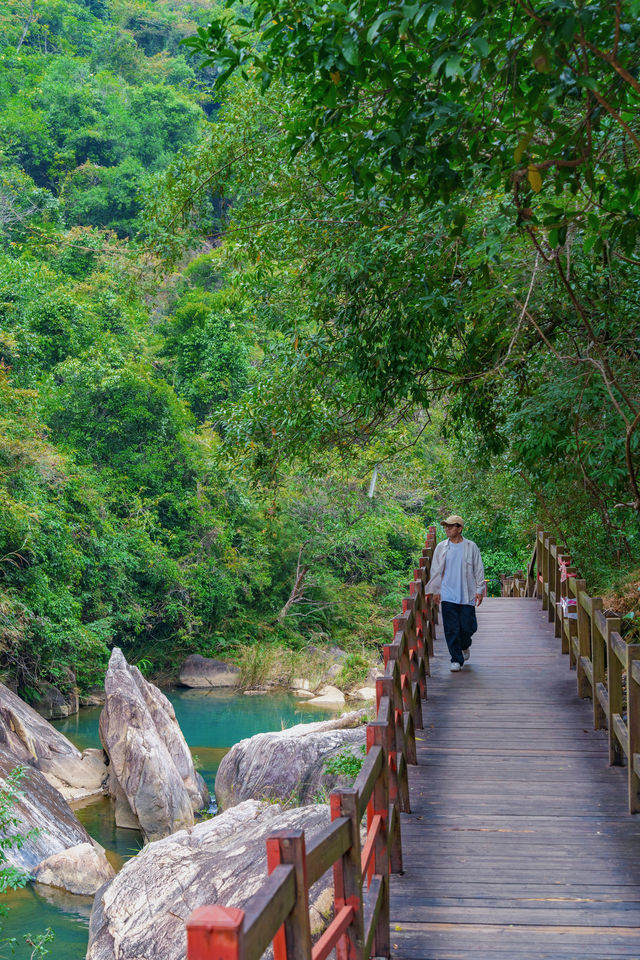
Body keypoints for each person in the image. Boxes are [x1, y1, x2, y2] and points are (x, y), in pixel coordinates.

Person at [425, 515, 485, 672]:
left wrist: (479, 590)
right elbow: (435, 570)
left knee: (468, 627)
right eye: (446, 526)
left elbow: (478, 568)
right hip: (448, 594)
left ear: (460, 528)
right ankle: (456, 659)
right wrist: (436, 591)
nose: (447, 529)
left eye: (451, 526)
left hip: (467, 593)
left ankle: (465, 646)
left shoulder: (471, 547)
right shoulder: (441, 547)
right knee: (451, 628)